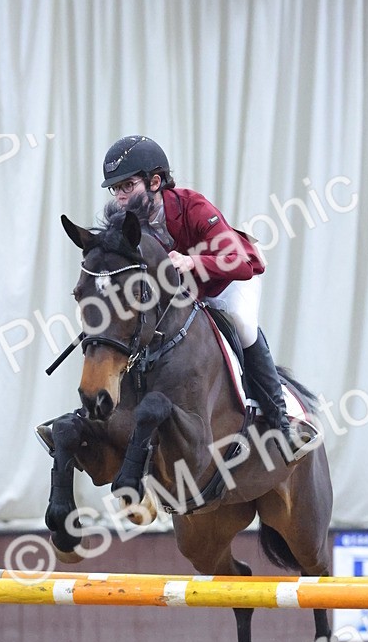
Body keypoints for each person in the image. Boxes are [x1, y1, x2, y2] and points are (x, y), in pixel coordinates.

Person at [101, 135, 309, 458]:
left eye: (128, 186)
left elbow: (238, 262)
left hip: (230, 279)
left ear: (155, 182)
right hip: (188, 291)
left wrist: (193, 261)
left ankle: (282, 422)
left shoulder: (192, 205)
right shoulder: (131, 223)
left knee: (241, 324)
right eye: (116, 190)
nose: (120, 197)